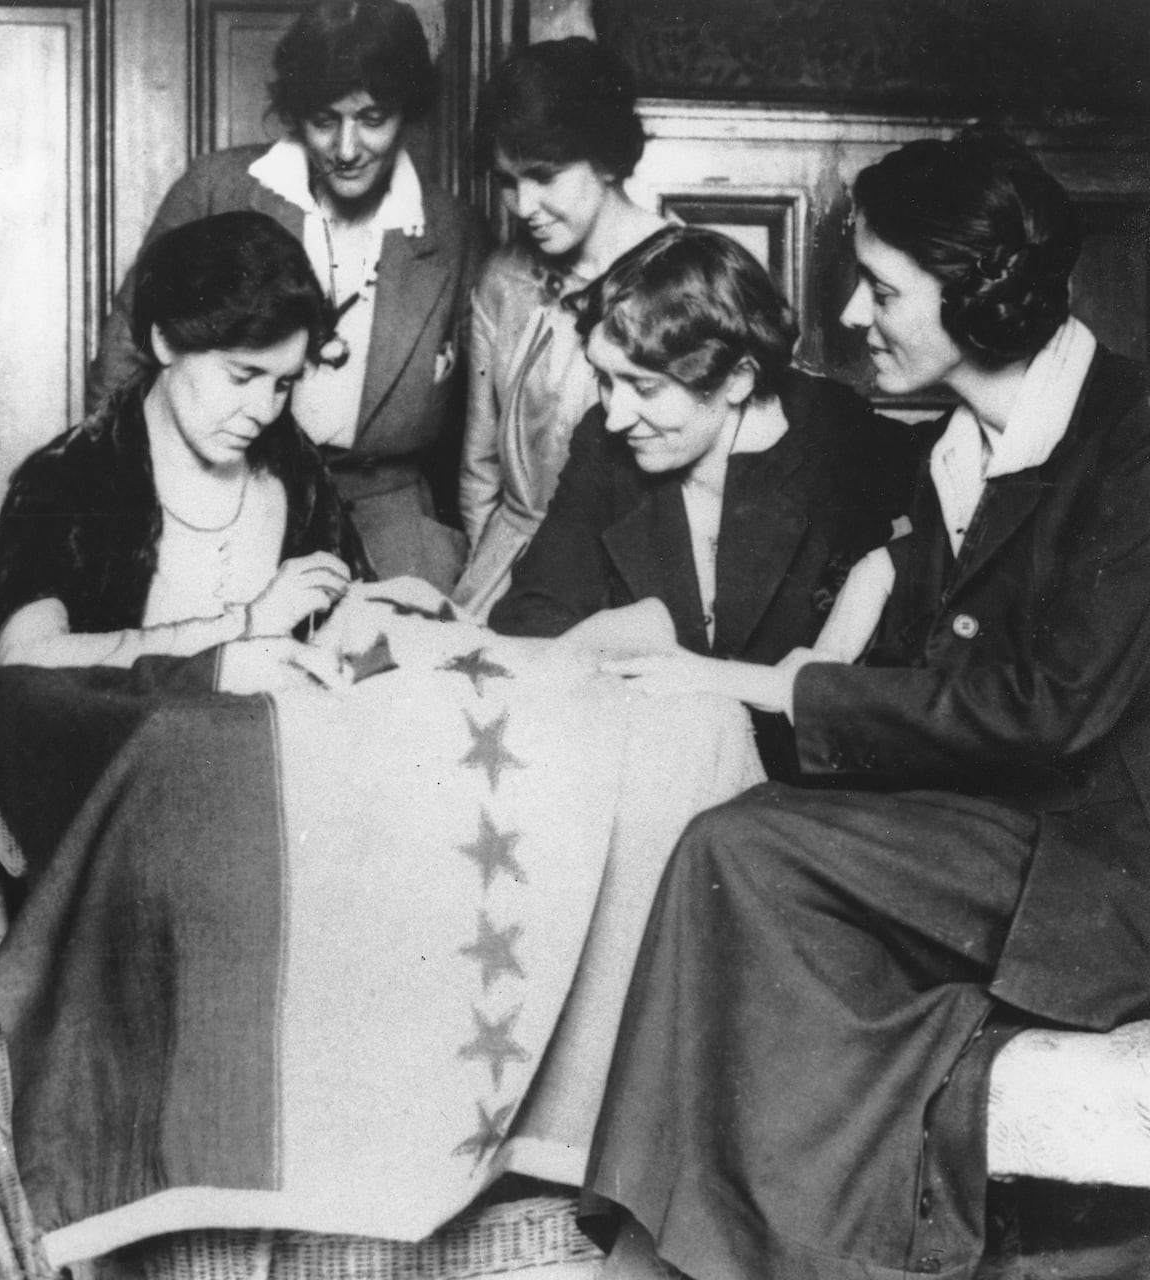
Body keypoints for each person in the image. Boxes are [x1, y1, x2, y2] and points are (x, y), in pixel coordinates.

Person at [584, 131, 1150, 1280]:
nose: (849, 314)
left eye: (882, 288)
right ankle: (736, 1245)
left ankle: (662, 1255)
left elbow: (1047, 713)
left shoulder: (1130, 438)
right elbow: (912, 666)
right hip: (991, 832)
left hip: (1101, 867)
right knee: (742, 854)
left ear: (980, 299)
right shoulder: (951, 452)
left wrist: (769, 682)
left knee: (738, 850)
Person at [87, 0, 488, 592]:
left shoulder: (453, 231)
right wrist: (125, 498)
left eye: (372, 118)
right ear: (297, 112)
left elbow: (469, 428)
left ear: (407, 112)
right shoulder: (218, 189)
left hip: (391, 517)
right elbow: (128, 349)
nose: (347, 148)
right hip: (228, 493)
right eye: (326, 119)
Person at [490, 225, 916, 778]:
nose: (616, 415)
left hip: (804, 797)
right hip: (649, 771)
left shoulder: (840, 441)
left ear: (738, 379)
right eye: (604, 379)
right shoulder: (605, 441)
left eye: (644, 388)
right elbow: (532, 616)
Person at [0, 211, 368, 691]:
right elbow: (22, 659)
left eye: (283, 384)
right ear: (165, 340)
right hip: (123, 760)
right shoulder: (69, 476)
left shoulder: (298, 469)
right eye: (242, 376)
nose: (264, 410)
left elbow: (364, 625)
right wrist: (242, 628)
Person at [454, 38, 670, 616]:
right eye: (506, 180)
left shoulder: (685, 276)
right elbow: (481, 467)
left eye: (544, 176)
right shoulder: (502, 279)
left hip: (632, 584)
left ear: (604, 158)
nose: (522, 205)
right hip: (508, 573)